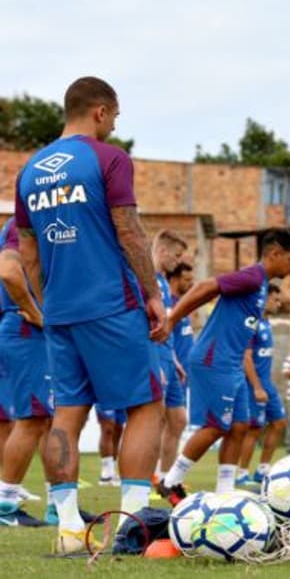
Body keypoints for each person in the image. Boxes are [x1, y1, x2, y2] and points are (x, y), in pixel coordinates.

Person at [14, 76, 166, 553]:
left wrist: (46, 303)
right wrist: (153, 293)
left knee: (67, 413)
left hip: (59, 311)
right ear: (100, 111)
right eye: (115, 117)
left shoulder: (30, 172)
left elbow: (28, 250)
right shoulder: (108, 159)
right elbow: (128, 230)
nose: (115, 126)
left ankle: (66, 530)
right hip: (110, 303)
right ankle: (133, 525)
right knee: (146, 404)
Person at [157, 229, 290, 504]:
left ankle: (225, 491)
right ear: (275, 253)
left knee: (240, 426)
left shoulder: (261, 286)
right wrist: (173, 319)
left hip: (232, 365)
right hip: (214, 361)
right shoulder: (252, 276)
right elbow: (204, 287)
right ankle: (170, 480)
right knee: (214, 427)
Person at [0, 220, 53, 527]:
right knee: (31, 419)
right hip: (25, 331)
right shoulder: (22, 223)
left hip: (36, 333)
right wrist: (37, 314)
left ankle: (59, 502)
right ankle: (5, 505)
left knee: (51, 420)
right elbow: (8, 271)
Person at [237, 283, 288, 485]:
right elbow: (246, 357)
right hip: (254, 384)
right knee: (255, 428)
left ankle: (263, 470)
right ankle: (241, 473)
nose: (278, 303)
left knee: (279, 422)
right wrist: (257, 387)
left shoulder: (267, 323)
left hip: (267, 383)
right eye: (275, 299)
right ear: (265, 299)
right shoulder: (254, 323)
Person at [151, 230, 188, 486]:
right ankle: (146, 477)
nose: (178, 262)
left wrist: (174, 360)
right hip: (154, 357)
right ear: (163, 251)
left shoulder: (163, 282)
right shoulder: (146, 280)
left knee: (178, 420)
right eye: (175, 256)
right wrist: (155, 361)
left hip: (168, 357)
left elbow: (163, 323)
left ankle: (165, 480)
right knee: (154, 419)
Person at [167, 261, 196, 372]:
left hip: (187, 368)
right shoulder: (168, 305)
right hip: (175, 369)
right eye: (187, 280)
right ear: (174, 280)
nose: (191, 284)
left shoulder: (183, 303)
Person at [94, 406, 125, 487]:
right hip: (104, 395)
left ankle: (112, 471)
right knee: (108, 428)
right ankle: (106, 473)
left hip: (122, 395)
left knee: (118, 429)